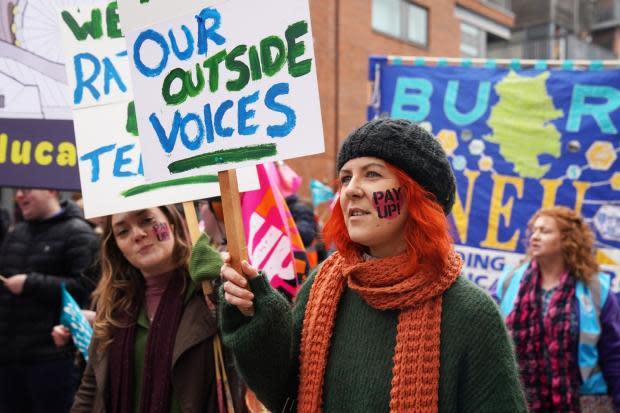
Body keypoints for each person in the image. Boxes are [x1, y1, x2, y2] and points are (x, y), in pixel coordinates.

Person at [220, 118, 527, 412]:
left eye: (372, 174)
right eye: (346, 177)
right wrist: (254, 313)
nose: (350, 189)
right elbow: (284, 395)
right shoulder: (322, 287)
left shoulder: (470, 313)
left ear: (417, 195)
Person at [71, 205, 247, 412]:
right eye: (123, 231)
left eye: (147, 220)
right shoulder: (113, 305)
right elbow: (91, 388)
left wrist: (230, 289)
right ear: (117, 246)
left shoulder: (213, 292)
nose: (137, 234)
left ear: (172, 223)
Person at [496, 206, 620, 412]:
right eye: (534, 230)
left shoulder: (597, 289)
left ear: (567, 239)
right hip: (521, 400)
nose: (535, 236)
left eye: (544, 231)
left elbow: (614, 355)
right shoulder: (510, 280)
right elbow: (491, 339)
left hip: (584, 402)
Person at [0, 188, 99, 413]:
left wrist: (31, 283)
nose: (19, 196)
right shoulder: (16, 232)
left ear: (50, 190)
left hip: (53, 359)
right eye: (17, 190)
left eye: (26, 190)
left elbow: (86, 289)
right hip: (9, 360)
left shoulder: (79, 233)